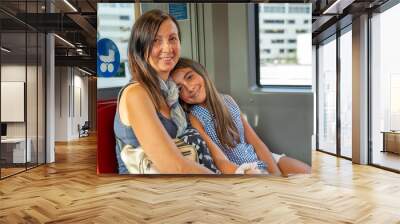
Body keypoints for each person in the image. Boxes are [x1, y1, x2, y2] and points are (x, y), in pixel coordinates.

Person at [114, 10, 218, 174]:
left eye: (172, 39)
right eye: (156, 41)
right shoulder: (136, 94)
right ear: (141, 48)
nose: (167, 48)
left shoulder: (172, 92)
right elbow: (174, 167)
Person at [171, 58, 311, 176]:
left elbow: (256, 143)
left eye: (190, 77)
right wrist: (243, 173)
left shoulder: (228, 100)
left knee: (306, 172)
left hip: (260, 157)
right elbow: (219, 160)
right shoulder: (195, 117)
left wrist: (274, 175)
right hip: (241, 168)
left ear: (202, 73)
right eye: (180, 88)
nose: (189, 88)